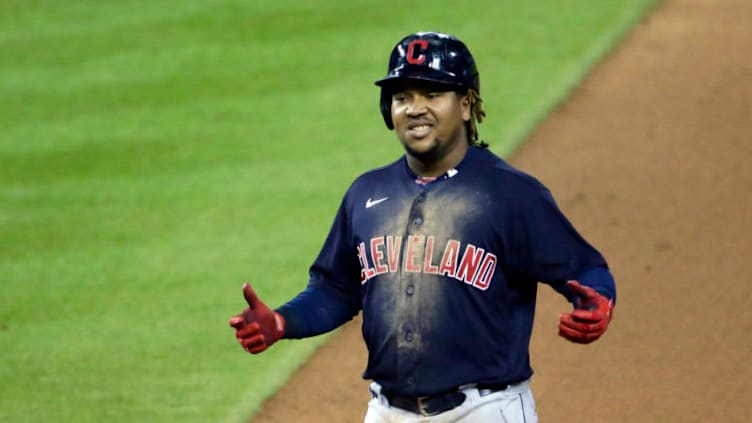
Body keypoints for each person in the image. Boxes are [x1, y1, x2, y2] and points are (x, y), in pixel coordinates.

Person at [229, 31, 616, 423]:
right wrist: (282, 321)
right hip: (387, 412)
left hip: (486, 410)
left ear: (466, 106)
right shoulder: (366, 193)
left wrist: (598, 301)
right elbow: (336, 288)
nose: (415, 109)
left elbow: (585, 270)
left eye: (432, 95)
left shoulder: (510, 195)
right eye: (402, 98)